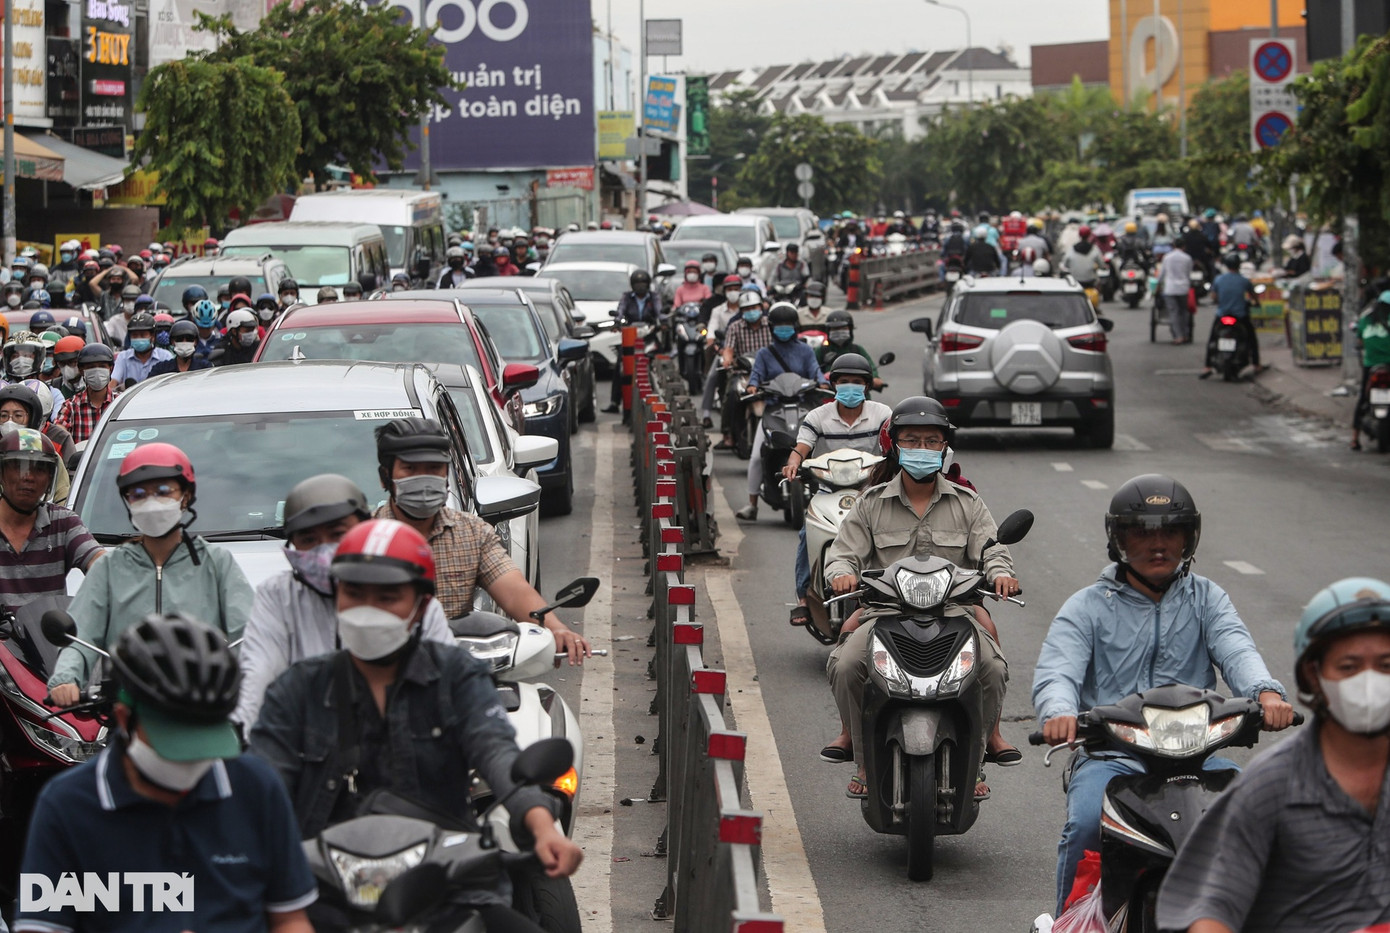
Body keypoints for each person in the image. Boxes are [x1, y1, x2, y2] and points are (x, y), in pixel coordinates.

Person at [247, 520, 582, 931]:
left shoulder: (457, 677)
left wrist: (542, 826)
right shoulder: (297, 688)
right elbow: (262, 783)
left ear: (422, 606)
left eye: (387, 597)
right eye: (354, 594)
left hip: (444, 889)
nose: (368, 610)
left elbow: (496, 751)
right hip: (322, 896)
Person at [1032, 473, 1293, 915]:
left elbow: (1237, 649)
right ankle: (1070, 921)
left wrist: (1266, 694)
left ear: (1189, 539)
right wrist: (1059, 713)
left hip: (1199, 756)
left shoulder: (1207, 599)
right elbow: (1058, 669)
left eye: (1171, 532)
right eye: (1143, 533)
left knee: (1261, 816)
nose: (1158, 545)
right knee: (1087, 824)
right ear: (1119, 540)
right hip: (1113, 755)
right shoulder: (1087, 606)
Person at [16, 614, 317, 933]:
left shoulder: (256, 787)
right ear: (125, 719)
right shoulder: (67, 806)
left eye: (204, 739)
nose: (192, 761)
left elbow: (290, 919)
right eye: (176, 744)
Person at [1154, 577, 1390, 933]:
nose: (1370, 683)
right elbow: (1216, 907)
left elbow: (1237, 650)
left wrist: (1265, 692)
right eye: (1349, 666)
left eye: (1385, 665)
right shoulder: (1272, 786)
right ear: (1313, 675)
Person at [822, 397, 1018, 798]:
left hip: (955, 611)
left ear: (945, 448)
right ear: (895, 446)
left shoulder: (968, 503)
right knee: (845, 665)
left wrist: (1001, 574)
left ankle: (977, 760)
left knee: (994, 668)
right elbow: (843, 552)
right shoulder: (871, 502)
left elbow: (993, 549)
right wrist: (841, 573)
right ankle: (863, 757)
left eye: (931, 441)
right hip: (885, 611)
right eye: (912, 440)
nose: (922, 449)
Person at [233, 474, 458, 730]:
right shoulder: (277, 595)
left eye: (338, 534)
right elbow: (256, 678)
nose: (325, 550)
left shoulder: (410, 594)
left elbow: (450, 685)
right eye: (308, 540)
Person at [47, 443, 254, 708]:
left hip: (202, 707)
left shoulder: (215, 563)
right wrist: (66, 678)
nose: (152, 502)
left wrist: (249, 682)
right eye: (139, 494)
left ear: (186, 496)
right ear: (128, 501)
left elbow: (249, 633)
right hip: (128, 706)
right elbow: (80, 634)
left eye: (164, 491)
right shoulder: (109, 568)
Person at [371, 418, 590, 662]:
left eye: (434, 468)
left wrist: (555, 628)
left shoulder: (471, 533)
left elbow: (514, 591)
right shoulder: (362, 541)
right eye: (410, 469)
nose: (424, 479)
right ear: (385, 477)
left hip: (457, 672)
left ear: (447, 475)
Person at [779, 353, 891, 622]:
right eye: (844, 381)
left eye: (857, 382)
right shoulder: (818, 416)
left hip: (871, 490)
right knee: (807, 533)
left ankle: (891, 592)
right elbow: (801, 447)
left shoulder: (883, 414)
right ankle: (803, 597)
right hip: (827, 490)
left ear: (866, 385)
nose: (850, 387)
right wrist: (793, 464)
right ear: (834, 385)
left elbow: (892, 447)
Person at [735, 303, 827, 522]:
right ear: (771, 327)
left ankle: (828, 500)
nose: (783, 328)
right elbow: (756, 376)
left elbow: (816, 372)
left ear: (795, 326)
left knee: (823, 451)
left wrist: (822, 383)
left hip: (804, 408)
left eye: (787, 324)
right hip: (774, 410)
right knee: (755, 457)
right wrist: (752, 386)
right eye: (779, 325)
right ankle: (752, 504)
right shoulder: (764, 353)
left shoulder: (806, 351)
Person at [0, 426, 100, 611]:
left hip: (49, 629)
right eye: (19, 466)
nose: (28, 477)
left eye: (39, 468)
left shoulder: (63, 522)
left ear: (50, 477)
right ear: (2, 472)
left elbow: (98, 562)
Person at [712, 291, 774, 451]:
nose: (751, 311)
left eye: (754, 307)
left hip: (769, 372)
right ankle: (729, 434)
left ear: (761, 308)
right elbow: (729, 349)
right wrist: (727, 360)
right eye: (747, 309)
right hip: (743, 372)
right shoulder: (735, 327)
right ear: (741, 311)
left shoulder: (770, 324)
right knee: (732, 394)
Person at [604, 270, 664, 413]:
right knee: (620, 364)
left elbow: (660, 312)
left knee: (660, 359)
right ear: (632, 285)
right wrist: (617, 322)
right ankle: (614, 402)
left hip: (649, 335)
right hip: (630, 337)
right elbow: (620, 311)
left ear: (648, 284)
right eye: (637, 283)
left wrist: (663, 322)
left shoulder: (654, 297)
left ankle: (661, 396)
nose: (640, 286)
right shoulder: (627, 297)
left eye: (643, 283)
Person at [1200, 255, 1263, 379]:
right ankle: (1256, 364)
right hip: (1240, 316)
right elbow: (1253, 296)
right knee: (1251, 338)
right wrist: (1256, 303)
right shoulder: (1244, 281)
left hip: (1222, 315)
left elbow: (1213, 296)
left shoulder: (1219, 279)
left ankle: (1207, 366)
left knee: (1213, 338)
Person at [698, 275, 744, 429]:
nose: (733, 292)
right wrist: (714, 345)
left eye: (736, 289)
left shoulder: (746, 309)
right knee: (712, 377)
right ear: (724, 291)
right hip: (725, 352)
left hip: (745, 353)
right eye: (730, 289)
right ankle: (706, 414)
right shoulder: (717, 311)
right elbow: (711, 331)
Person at [55, 343, 118, 445]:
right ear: (81, 371)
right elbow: (59, 434)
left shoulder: (120, 403)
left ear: (110, 369)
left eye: (102, 366)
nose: (97, 372)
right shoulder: (70, 406)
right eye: (91, 367)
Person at [1351, 290, 1390, 450]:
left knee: (1363, 399)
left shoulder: (1366, 319)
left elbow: (1359, 340)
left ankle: (1354, 438)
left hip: (1371, 366)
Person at [815, 310, 885, 388]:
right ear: (828, 331)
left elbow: (871, 368)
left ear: (850, 330)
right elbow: (813, 370)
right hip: (827, 392)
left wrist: (875, 378)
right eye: (835, 329)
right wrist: (821, 383)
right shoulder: (821, 351)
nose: (839, 331)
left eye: (843, 328)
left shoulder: (857, 349)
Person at [111, 311, 173, 386]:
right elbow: (113, 383)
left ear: (153, 337)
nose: (138, 338)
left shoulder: (165, 357)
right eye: (135, 335)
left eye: (143, 335)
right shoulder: (123, 357)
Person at [1158, 240, 1196, 344]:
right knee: (1184, 311)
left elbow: (1162, 274)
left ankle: (1178, 336)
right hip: (1183, 288)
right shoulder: (1187, 258)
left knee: (1173, 312)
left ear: (1173, 246)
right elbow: (1188, 273)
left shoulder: (1167, 257)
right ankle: (1185, 334)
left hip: (1170, 288)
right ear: (1184, 247)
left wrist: (1158, 285)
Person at [149, 319, 215, 376]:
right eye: (179, 339)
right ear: (172, 342)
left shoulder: (205, 368)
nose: (184, 342)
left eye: (189, 339)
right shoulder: (160, 369)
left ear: (195, 342)